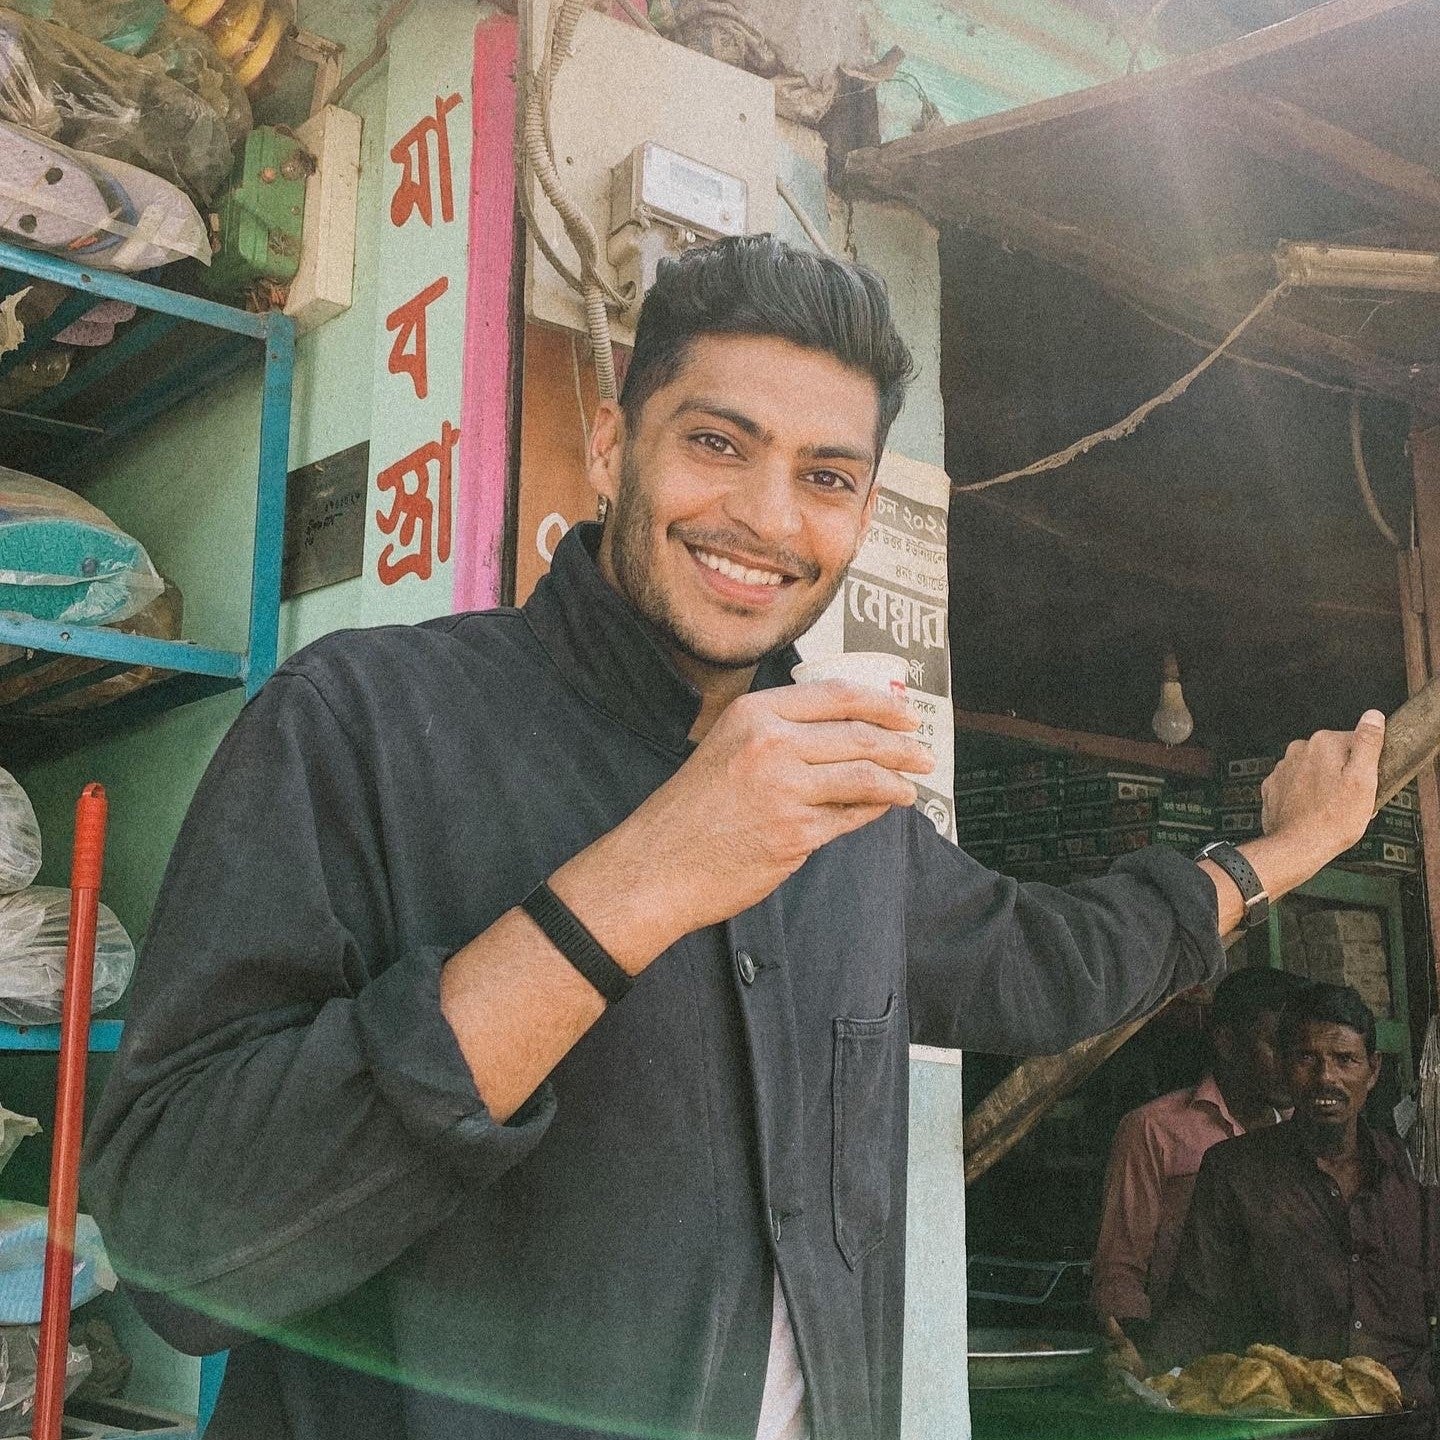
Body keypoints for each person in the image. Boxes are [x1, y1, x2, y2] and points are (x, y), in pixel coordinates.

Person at [81, 235, 1385, 1440]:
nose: (768, 517)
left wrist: (1273, 855)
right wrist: (644, 878)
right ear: (611, 447)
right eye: (718, 443)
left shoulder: (839, 799)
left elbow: (1040, 962)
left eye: (827, 476)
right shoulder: (357, 722)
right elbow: (181, 1253)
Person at [1154, 982, 1438, 1418]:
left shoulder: (1410, 1167)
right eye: (1308, 1058)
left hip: (1409, 1411)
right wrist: (1147, 1369)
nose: (1327, 1077)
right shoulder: (1234, 1170)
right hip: (1290, 1415)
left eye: (1345, 1060)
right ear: (1284, 1068)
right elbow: (1198, 1303)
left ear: (1373, 1071)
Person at [1093, 965, 1308, 1357]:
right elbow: (1119, 1271)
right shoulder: (1153, 1128)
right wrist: (1146, 1362)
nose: (1292, 1065)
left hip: (1284, 1359)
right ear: (1226, 1041)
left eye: (1300, 1049)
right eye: (1277, 1045)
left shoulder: (1304, 1137)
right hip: (1184, 1357)